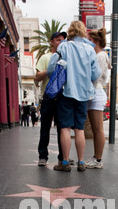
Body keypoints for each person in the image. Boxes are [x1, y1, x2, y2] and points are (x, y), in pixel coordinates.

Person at [47, 21, 101, 171]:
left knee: (64, 127)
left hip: (66, 92)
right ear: (83, 32)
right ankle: (81, 162)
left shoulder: (64, 46)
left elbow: (51, 68)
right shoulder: (90, 50)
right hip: (83, 94)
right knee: (79, 128)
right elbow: (96, 73)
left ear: (70, 31)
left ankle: (65, 162)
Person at [35, 31, 66, 166]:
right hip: (47, 96)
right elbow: (37, 77)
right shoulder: (45, 57)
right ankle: (43, 156)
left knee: (62, 129)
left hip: (62, 96)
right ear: (52, 41)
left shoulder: (66, 57)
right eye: (58, 40)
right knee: (45, 128)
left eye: (63, 40)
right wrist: (50, 69)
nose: (61, 42)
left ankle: (62, 157)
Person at [86, 28, 110, 169]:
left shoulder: (100, 55)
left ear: (96, 41)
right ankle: (97, 157)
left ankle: (98, 159)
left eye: (90, 40)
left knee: (98, 129)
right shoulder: (99, 55)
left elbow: (96, 77)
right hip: (95, 92)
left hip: (96, 92)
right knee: (96, 129)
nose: (88, 43)